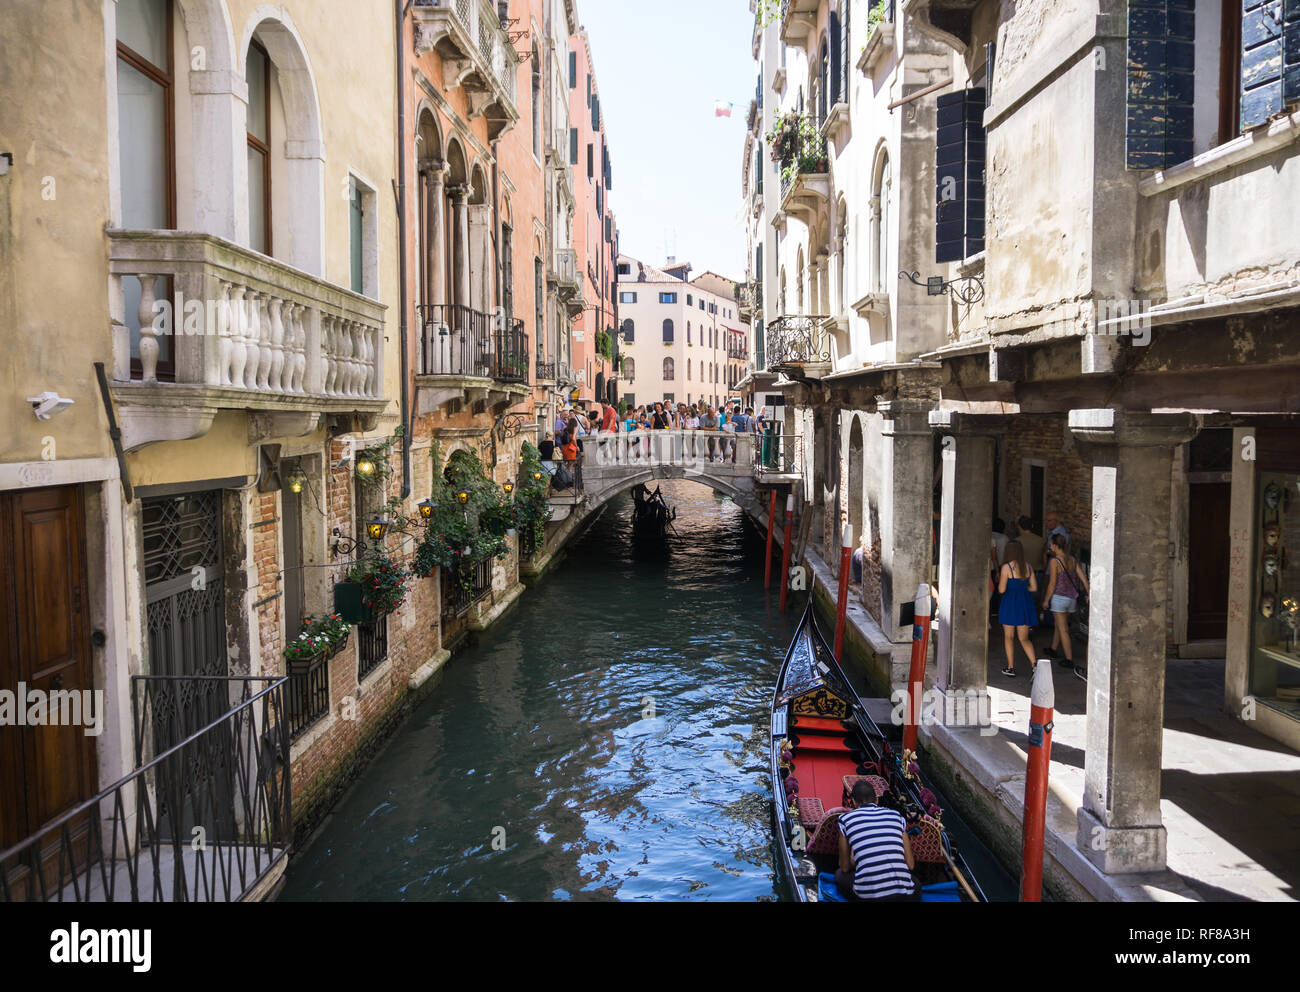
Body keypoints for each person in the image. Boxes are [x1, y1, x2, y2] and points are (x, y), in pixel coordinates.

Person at [835, 781, 918, 902]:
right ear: (877, 801)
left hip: (869, 898)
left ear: (853, 802)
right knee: (915, 882)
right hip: (905, 896)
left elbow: (845, 867)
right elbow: (910, 864)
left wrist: (855, 862)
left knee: (839, 875)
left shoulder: (845, 819)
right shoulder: (897, 816)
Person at [1041, 533, 1090, 680]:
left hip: (1059, 599)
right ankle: (1053, 649)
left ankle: (1069, 659)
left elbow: (1052, 584)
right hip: (1071, 599)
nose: (1050, 546)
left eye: (1051, 544)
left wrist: (1046, 600)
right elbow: (1083, 578)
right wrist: (1089, 592)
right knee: (1059, 624)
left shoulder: (1055, 561)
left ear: (1055, 545)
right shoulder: (1073, 560)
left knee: (1063, 629)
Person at [997, 541, 1039, 678]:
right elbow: (1034, 588)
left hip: (1010, 604)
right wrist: (1022, 589)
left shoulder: (1006, 568)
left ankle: (1010, 667)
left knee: (1009, 637)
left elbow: (1002, 590)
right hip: (1024, 604)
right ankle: (1035, 665)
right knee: (1024, 638)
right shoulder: (1028, 566)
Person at [1016, 516, 1046, 593]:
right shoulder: (1041, 540)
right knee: (1035, 601)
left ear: (1019, 526)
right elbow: (1044, 559)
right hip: (1038, 574)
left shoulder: (1017, 541)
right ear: (1031, 526)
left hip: (1022, 574)